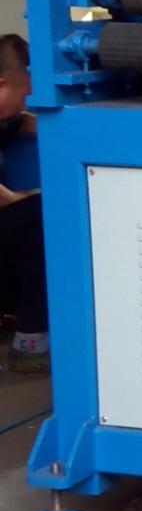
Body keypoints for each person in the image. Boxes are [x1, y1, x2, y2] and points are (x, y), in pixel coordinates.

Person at [0, 33, 49, 374]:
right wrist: (30, 197)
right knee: (43, 216)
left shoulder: (7, 118)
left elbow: (28, 123)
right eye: (23, 95)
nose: (24, 104)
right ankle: (30, 344)